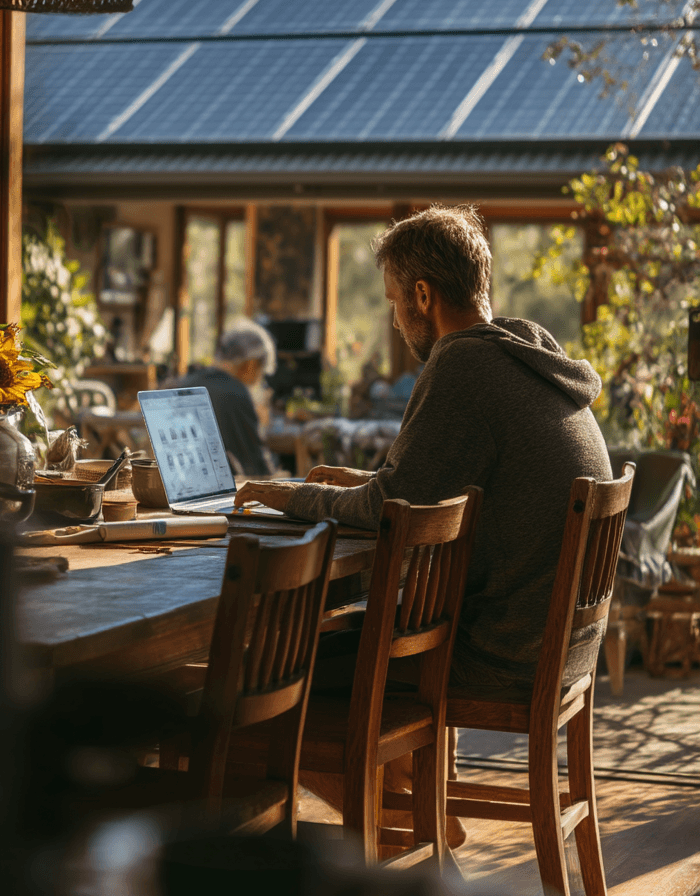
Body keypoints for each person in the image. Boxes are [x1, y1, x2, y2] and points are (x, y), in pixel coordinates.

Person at [235, 205, 613, 691]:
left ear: (422, 294)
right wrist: (370, 482)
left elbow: (387, 508)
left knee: (264, 672)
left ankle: (338, 764)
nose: (395, 321)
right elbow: (417, 488)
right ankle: (397, 768)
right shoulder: (527, 358)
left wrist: (282, 495)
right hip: (560, 651)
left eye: (393, 302)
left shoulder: (464, 363)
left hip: (500, 657)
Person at [185, 320, 276, 478]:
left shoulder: (190, 382)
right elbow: (257, 466)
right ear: (251, 364)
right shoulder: (237, 394)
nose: (260, 378)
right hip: (225, 486)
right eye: (261, 369)